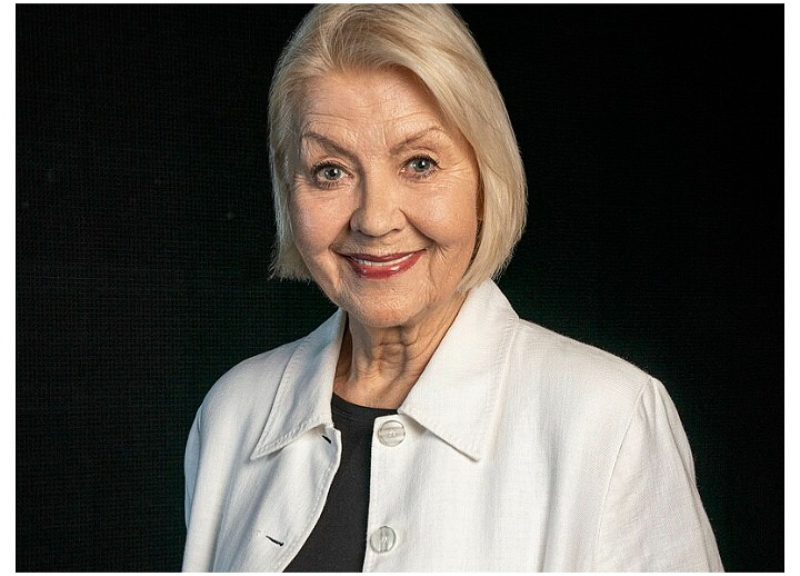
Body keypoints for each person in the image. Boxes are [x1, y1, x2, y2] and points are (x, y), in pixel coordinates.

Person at [182, 5, 723, 572]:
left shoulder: (610, 419)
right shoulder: (233, 413)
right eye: (331, 171)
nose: (374, 220)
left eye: (419, 163)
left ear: (485, 179)